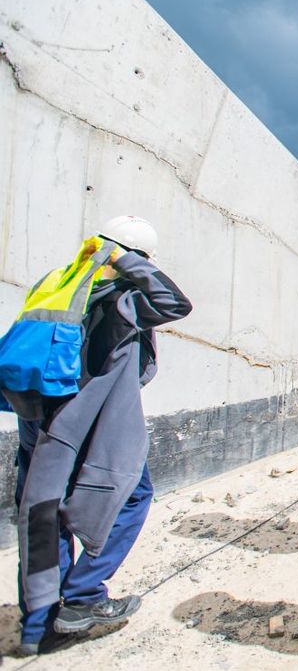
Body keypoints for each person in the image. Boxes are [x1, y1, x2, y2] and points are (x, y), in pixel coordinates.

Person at [0, 216, 192, 654]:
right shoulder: (121, 297)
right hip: (92, 421)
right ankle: (84, 595)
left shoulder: (57, 283)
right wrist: (126, 261)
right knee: (136, 494)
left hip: (37, 415)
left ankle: (41, 623)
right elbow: (175, 303)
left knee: (43, 511)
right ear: (134, 258)